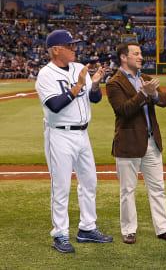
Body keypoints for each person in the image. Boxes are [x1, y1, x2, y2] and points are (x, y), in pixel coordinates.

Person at [35, 29, 113, 254]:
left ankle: (87, 228)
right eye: (69, 46)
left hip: (82, 134)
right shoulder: (46, 74)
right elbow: (54, 105)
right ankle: (60, 233)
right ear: (56, 50)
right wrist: (78, 85)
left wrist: (95, 84)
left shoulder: (80, 68)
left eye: (74, 45)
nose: (74, 48)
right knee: (61, 187)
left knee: (89, 182)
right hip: (59, 135)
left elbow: (95, 99)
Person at [106, 41, 166, 245]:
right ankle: (129, 230)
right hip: (128, 143)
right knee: (127, 190)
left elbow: (164, 100)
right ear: (123, 57)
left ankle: (163, 228)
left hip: (151, 142)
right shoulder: (114, 83)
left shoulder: (145, 79)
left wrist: (153, 93)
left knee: (158, 187)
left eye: (140, 53)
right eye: (136, 54)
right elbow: (124, 110)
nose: (140, 57)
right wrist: (144, 93)